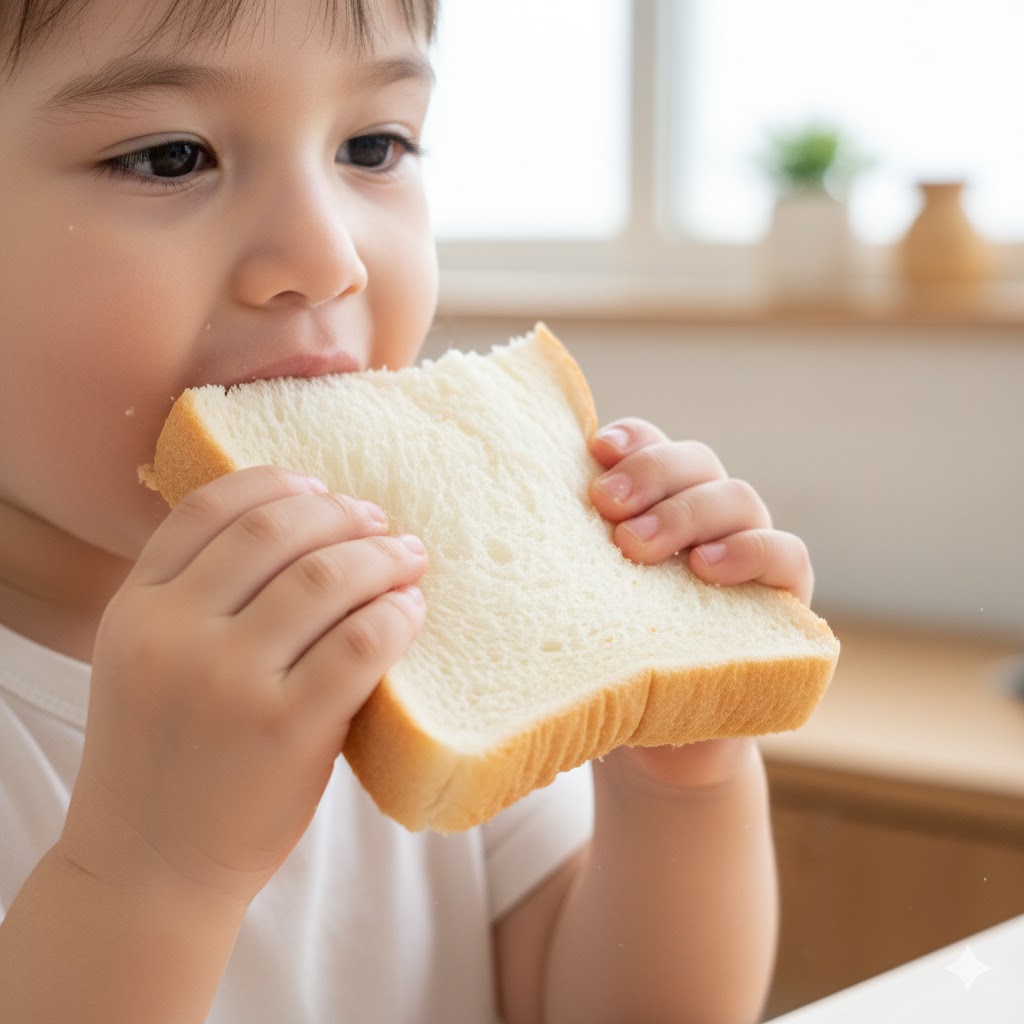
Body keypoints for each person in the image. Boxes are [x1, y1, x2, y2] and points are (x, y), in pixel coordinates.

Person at [0, 1, 816, 1021]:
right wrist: (157, 868)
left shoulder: (431, 628)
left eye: (373, 144)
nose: (326, 253)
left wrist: (678, 781)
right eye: (170, 157)